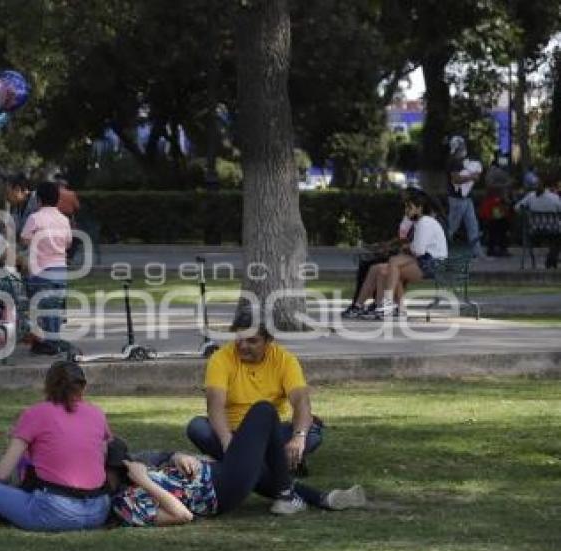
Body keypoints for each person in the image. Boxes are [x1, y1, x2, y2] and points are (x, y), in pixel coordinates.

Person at [108, 413, 366, 527]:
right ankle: (287, 495)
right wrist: (145, 481)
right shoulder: (125, 504)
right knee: (264, 412)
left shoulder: (133, 469)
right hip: (220, 490)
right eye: (121, 465)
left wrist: (179, 456)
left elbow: (159, 456)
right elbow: (182, 516)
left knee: (265, 473)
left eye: (126, 461)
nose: (128, 464)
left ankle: (323, 499)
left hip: (215, 471)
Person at [0, 362, 112, 531]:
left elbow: (1, 474)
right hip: (98, 510)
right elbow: (102, 456)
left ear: (47, 386)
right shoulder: (97, 413)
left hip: (55, 511)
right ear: (82, 387)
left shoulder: (36, 413)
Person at [186, 309, 323, 484]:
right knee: (198, 428)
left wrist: (298, 437)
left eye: (252, 341)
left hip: (271, 434)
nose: (243, 346)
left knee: (312, 435)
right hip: (233, 433)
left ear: (269, 341)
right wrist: (228, 443)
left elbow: (301, 401)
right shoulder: (220, 359)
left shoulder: (285, 360)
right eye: (239, 339)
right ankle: (278, 464)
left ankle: (241, 464)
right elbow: (215, 406)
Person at [351, 192, 448, 318]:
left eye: (410, 207)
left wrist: (407, 247)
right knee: (382, 270)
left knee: (393, 263)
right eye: (406, 207)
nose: (406, 211)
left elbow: (418, 250)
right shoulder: (420, 222)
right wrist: (407, 247)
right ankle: (387, 308)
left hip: (433, 263)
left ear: (419, 208)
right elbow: (416, 248)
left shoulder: (425, 222)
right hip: (425, 261)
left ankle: (388, 305)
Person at [21, 181, 72, 355]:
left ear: (39, 200)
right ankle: (54, 340)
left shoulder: (34, 218)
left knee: (42, 307)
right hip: (61, 270)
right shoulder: (64, 219)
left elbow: (25, 239)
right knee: (56, 308)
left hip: (41, 271)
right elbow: (68, 242)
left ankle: (49, 343)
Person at [446, 136, 483, 258]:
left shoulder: (461, 161)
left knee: (473, 225)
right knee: (452, 227)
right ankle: (440, 249)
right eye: (462, 146)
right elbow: (456, 179)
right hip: (457, 199)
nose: (464, 148)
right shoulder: (454, 162)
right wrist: (472, 177)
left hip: (465, 198)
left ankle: (476, 252)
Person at [515, 172, 561, 269]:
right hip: (553, 231)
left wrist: (526, 213)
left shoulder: (530, 196)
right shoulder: (554, 198)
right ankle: (551, 259)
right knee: (557, 239)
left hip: (534, 231)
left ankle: (551, 260)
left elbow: (517, 207)